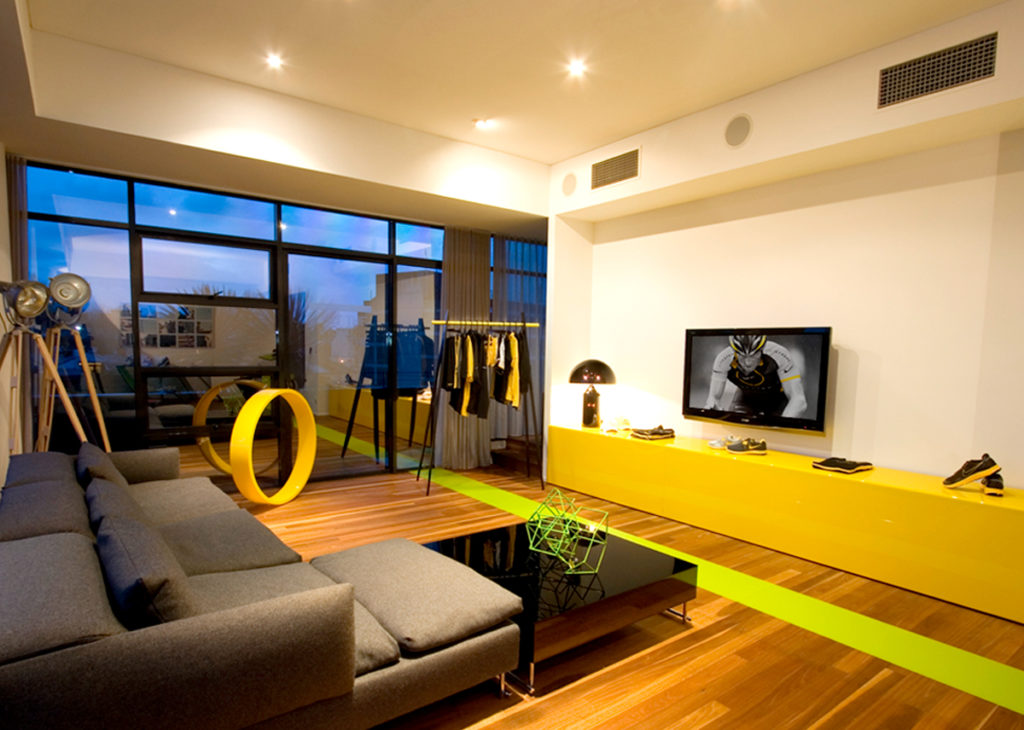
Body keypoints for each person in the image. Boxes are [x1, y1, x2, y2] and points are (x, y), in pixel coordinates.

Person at [704, 334, 808, 418]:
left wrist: (781, 427)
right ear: (734, 352)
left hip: (777, 401)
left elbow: (799, 400)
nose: (748, 362)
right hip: (746, 398)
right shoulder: (723, 359)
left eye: (754, 355)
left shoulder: (779, 355)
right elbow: (713, 399)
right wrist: (713, 410)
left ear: (762, 349)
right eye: (742, 356)